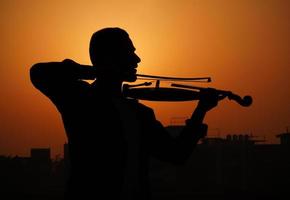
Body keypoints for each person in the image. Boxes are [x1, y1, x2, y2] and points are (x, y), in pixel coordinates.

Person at [30, 27, 220, 200]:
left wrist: (201, 110)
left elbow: (177, 154)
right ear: (109, 58)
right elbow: (38, 72)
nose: (137, 59)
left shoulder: (140, 114)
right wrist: (92, 71)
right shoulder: (80, 98)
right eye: (129, 53)